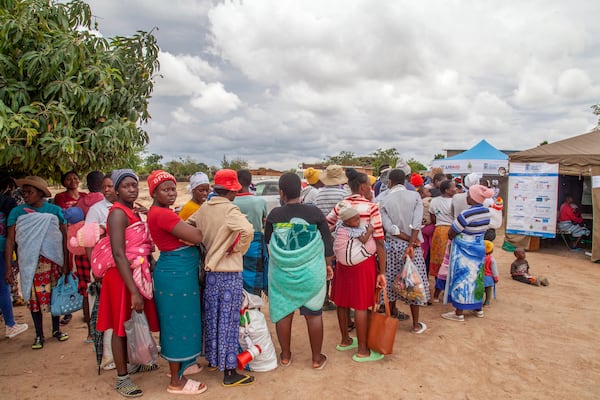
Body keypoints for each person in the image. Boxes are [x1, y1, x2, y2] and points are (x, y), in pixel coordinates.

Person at [95, 169, 160, 398]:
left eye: (134, 185)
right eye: (126, 186)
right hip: (121, 277)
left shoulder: (132, 212)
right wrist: (133, 290)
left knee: (133, 320)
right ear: (116, 189)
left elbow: (141, 243)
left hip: (133, 272)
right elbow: (119, 253)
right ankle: (122, 378)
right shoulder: (117, 214)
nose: (132, 189)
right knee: (120, 325)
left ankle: (137, 361)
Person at [189, 169, 256, 387]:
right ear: (231, 191)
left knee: (213, 319)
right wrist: (237, 249)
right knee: (228, 322)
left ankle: (213, 360)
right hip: (228, 273)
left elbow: (188, 224)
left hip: (210, 274)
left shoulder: (204, 208)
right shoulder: (229, 210)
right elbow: (248, 229)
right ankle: (229, 372)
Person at [146, 170, 207, 395]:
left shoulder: (159, 212)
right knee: (178, 325)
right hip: (176, 276)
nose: (171, 193)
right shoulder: (164, 215)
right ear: (154, 192)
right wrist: (192, 234)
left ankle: (184, 366)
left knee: (184, 321)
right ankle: (176, 381)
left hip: (177, 274)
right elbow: (198, 237)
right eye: (165, 189)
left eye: (173, 189)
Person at [265, 172, 333, 369]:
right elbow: (327, 241)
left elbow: (268, 242)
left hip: (282, 275)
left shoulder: (274, 215)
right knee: (313, 315)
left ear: (281, 192)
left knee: (283, 313)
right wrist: (328, 264)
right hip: (311, 273)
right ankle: (316, 359)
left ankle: (285, 356)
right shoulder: (315, 213)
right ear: (301, 190)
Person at [327, 168, 387, 362]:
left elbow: (326, 225)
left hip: (343, 261)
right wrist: (382, 272)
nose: (371, 189)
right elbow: (379, 240)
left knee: (342, 300)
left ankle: (345, 340)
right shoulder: (371, 207)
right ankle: (362, 350)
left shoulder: (341, 205)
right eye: (369, 186)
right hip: (363, 262)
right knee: (361, 304)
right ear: (362, 187)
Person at [5, 176, 69, 349]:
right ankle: (39, 334)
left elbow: (64, 236)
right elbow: (11, 240)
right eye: (24, 192)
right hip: (30, 263)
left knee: (54, 296)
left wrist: (66, 262)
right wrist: (8, 267)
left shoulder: (54, 210)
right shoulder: (17, 212)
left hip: (53, 260)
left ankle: (56, 330)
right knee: (34, 300)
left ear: (40, 193)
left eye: (30, 192)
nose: (26, 195)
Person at [379, 169, 430, 334]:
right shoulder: (415, 196)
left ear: (389, 182)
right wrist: (411, 242)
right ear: (405, 181)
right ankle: (415, 324)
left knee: (391, 281)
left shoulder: (382, 199)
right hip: (412, 248)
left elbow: (390, 228)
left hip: (392, 246)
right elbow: (417, 223)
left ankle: (391, 317)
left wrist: (406, 239)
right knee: (413, 282)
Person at [441, 184, 494, 322]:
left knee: (461, 279)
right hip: (478, 249)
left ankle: (459, 312)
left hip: (463, 252)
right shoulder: (486, 212)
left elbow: (452, 232)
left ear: (474, 198)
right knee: (477, 278)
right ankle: (478, 308)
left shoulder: (466, 214)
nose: (467, 198)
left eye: (469, 195)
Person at [74, 171, 105, 341]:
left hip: (82, 253)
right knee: (103, 290)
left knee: (87, 290)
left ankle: (90, 332)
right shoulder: (102, 202)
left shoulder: (80, 202)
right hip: (100, 253)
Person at [314, 164, 347, 311]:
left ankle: (325, 300)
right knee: (340, 268)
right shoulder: (343, 194)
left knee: (325, 266)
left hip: (323, 234)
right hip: (339, 235)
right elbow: (345, 215)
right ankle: (341, 299)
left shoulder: (318, 194)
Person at [0, 175, 28, 339]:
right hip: (3, 248)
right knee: (3, 286)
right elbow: (13, 230)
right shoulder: (7, 202)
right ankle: (10, 324)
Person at [233, 169, 268, 295]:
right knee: (254, 279)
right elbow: (265, 221)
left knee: (235, 278)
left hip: (233, 245)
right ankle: (255, 311)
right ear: (250, 182)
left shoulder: (230, 202)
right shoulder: (260, 201)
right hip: (255, 245)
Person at [429, 180, 457, 301]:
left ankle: (438, 287)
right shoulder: (454, 201)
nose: (455, 189)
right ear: (447, 190)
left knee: (438, 259)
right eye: (453, 187)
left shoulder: (434, 201)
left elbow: (433, 217)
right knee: (449, 260)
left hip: (439, 231)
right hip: (451, 231)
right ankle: (447, 289)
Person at [483, 240, 499, 306]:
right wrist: (496, 278)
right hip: (488, 277)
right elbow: (494, 270)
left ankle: (478, 301)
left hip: (479, 276)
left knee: (480, 289)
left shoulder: (479, 258)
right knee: (488, 290)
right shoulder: (492, 259)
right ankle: (487, 301)